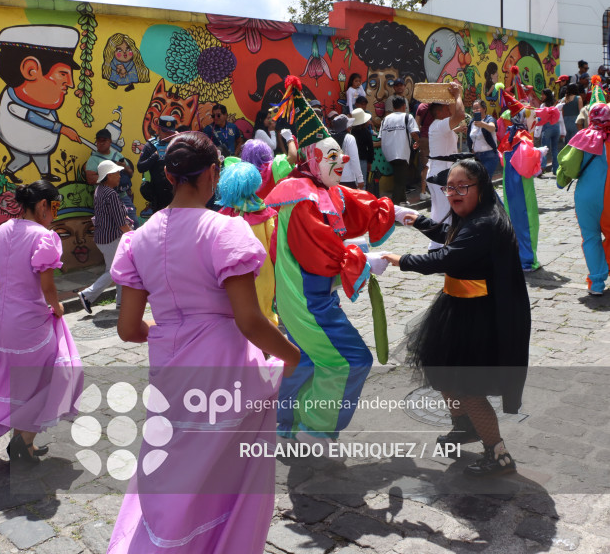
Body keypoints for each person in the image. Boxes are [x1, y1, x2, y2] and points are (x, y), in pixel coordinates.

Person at [106, 131, 299, 554]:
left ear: (170, 176)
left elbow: (127, 329)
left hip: (170, 366)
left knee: (174, 461)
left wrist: (169, 326)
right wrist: (291, 353)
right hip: (224, 367)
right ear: (213, 173)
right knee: (227, 473)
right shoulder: (223, 231)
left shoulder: (139, 238)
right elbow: (249, 319)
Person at [265, 76, 406, 443]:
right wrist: (364, 258)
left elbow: (353, 201)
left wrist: (398, 212)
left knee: (306, 359)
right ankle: (313, 423)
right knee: (351, 361)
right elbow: (324, 253)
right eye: (332, 157)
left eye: (338, 154)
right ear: (312, 160)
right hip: (307, 302)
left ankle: (284, 421)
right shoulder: (302, 199)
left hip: (305, 299)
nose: (342, 159)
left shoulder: (317, 189)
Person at [381, 159, 530, 477]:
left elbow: (447, 256)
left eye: (462, 187)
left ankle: (498, 455)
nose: (453, 193)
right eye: (449, 187)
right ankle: (465, 426)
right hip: (458, 306)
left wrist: (400, 259)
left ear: (480, 188)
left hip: (478, 316)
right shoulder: (473, 217)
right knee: (440, 367)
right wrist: (416, 220)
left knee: (468, 387)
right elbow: (448, 234)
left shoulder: (486, 223)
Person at [0, 181, 83, 464]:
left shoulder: (0, 231)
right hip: (28, 322)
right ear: (44, 205)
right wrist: (57, 306)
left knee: (7, 379)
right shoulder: (44, 237)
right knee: (50, 378)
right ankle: (23, 442)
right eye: (55, 206)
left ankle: (22, 442)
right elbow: (47, 285)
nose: (55, 213)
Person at [0, 25, 84, 184]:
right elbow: (33, 118)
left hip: (41, 144)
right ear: (30, 70)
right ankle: (8, 172)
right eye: (63, 74)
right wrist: (61, 129)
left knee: (42, 155)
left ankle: (45, 174)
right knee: (22, 158)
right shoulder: (13, 105)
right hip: (20, 141)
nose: (71, 84)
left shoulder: (43, 103)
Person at [556, 99, 610, 296]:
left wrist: (561, 180)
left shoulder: (583, 137)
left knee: (590, 237)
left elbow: (568, 166)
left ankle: (596, 283)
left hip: (586, 196)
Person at [217, 161, 279, 324]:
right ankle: (265, 346)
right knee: (264, 312)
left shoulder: (221, 216)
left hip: (231, 274)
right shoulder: (267, 214)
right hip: (263, 272)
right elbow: (275, 249)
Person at [497, 89, 544, 271]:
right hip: (522, 185)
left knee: (514, 219)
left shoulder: (510, 135)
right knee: (528, 221)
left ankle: (518, 256)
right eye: (531, 117)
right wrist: (539, 153)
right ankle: (528, 260)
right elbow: (526, 160)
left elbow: (504, 158)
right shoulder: (522, 137)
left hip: (510, 185)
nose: (535, 120)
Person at [78, 160, 132, 313]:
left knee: (121, 268)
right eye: (116, 173)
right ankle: (87, 295)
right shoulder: (111, 194)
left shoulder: (100, 190)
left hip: (103, 237)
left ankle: (121, 303)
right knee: (115, 270)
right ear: (108, 176)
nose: (119, 176)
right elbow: (120, 222)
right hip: (111, 238)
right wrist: (132, 236)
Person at [423, 82, 466, 250]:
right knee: (444, 212)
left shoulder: (439, 126)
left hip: (438, 173)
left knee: (440, 211)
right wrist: (457, 96)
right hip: (440, 174)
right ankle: (439, 247)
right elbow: (460, 114)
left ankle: (437, 246)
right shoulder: (440, 125)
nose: (450, 110)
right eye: (446, 108)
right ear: (438, 112)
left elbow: (455, 118)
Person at [380, 96, 419, 204]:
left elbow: (381, 136)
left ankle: (403, 199)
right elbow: (414, 133)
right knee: (400, 181)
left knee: (400, 176)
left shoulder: (385, 119)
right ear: (404, 106)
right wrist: (418, 141)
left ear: (393, 107)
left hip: (389, 153)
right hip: (402, 152)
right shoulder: (408, 117)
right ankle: (394, 207)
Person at [138, 115, 177, 213]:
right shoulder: (151, 145)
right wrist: (155, 156)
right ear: (158, 130)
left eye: (170, 132)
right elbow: (140, 167)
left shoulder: (179, 144)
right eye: (165, 131)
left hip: (176, 193)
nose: (168, 135)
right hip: (157, 194)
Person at [536, 89, 566, 175]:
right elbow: (560, 119)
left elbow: (540, 120)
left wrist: (537, 133)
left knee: (543, 148)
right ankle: (556, 169)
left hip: (547, 127)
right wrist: (563, 131)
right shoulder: (556, 105)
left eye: (543, 95)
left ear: (547, 95)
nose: (541, 96)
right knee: (555, 149)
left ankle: (542, 168)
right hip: (556, 127)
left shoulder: (543, 106)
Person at [467, 101, 499, 178]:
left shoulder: (489, 119)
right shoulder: (472, 122)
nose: (475, 110)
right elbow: (470, 137)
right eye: (474, 109)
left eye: (477, 108)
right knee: (480, 181)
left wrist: (482, 124)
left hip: (489, 155)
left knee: (485, 180)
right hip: (477, 157)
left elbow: (492, 128)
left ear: (484, 108)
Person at [333, 114, 365, 190]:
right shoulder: (349, 138)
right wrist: (360, 179)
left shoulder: (330, 137)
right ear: (347, 127)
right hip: (348, 178)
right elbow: (354, 159)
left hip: (333, 178)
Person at [351, 107, 375, 186]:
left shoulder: (351, 132)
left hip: (351, 160)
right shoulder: (366, 132)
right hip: (363, 160)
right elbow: (370, 148)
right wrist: (370, 162)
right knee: (362, 181)